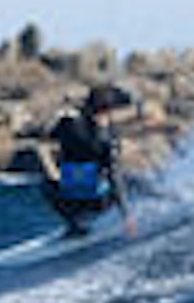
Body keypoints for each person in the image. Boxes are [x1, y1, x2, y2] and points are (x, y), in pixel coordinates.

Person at [40, 85, 133, 237]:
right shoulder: (107, 138)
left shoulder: (68, 123)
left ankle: (74, 223)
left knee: (48, 184)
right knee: (129, 180)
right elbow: (114, 175)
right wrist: (127, 216)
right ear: (105, 111)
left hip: (69, 194)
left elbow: (45, 138)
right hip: (95, 197)